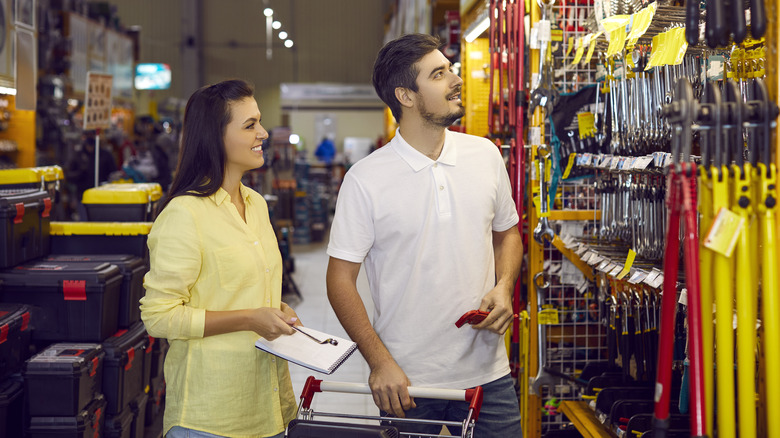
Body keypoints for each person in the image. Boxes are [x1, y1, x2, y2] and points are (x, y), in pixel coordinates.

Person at [326, 33, 524, 437]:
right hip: (406, 381)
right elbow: (339, 281)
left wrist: (504, 286)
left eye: (450, 68)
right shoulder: (366, 179)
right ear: (406, 95)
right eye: (439, 74)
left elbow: (508, 234)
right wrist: (379, 362)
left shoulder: (484, 155)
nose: (455, 79)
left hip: (489, 374)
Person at [140, 79, 300, 438]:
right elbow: (159, 317)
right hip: (210, 418)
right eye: (249, 125)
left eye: (259, 121)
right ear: (215, 136)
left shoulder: (256, 204)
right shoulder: (184, 214)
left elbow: (242, 287)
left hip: (269, 406)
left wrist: (276, 310)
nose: (263, 132)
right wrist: (248, 318)